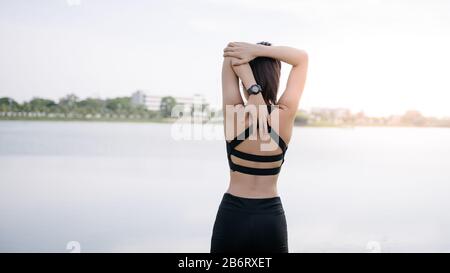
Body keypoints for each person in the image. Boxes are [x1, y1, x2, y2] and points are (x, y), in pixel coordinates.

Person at [210, 41, 309, 253]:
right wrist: (259, 51)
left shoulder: (234, 114)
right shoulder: (285, 114)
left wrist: (253, 90)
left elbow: (230, 54)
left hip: (232, 216)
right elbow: (301, 58)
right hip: (270, 218)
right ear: (276, 76)